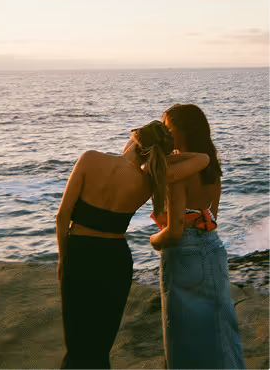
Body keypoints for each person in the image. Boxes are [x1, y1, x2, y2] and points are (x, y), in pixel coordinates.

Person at [56, 119, 209, 369]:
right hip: (115, 261)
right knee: (100, 343)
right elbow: (203, 159)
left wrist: (64, 259)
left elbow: (62, 216)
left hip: (80, 254)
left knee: (77, 341)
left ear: (133, 139)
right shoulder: (152, 179)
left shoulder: (90, 158)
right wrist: (167, 157)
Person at [150, 104, 246, 370]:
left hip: (185, 252)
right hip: (212, 247)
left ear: (184, 131)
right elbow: (211, 216)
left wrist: (154, 240)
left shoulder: (180, 172)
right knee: (221, 330)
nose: (166, 135)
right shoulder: (210, 165)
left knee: (185, 336)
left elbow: (175, 230)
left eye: (168, 129)